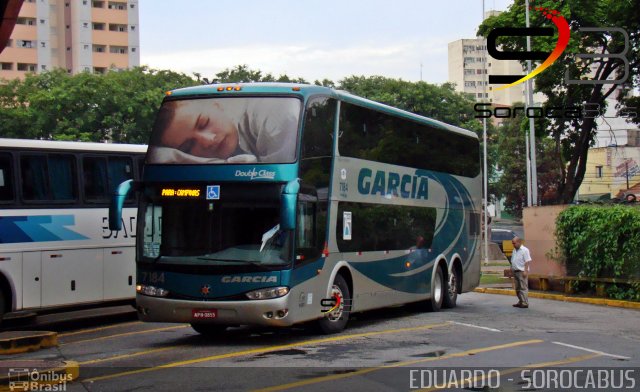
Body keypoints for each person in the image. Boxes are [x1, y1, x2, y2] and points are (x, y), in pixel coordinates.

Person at [147, 97, 300, 164]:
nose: (207, 141)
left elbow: (277, 187)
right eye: (188, 147)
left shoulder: (271, 114)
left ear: (217, 105)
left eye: (203, 123)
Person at [510, 236, 532, 308]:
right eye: (512, 243)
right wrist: (511, 268)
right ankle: (520, 301)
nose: (513, 245)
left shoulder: (525, 250)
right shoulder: (514, 250)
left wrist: (525, 271)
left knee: (523, 287)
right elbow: (513, 260)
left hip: (521, 271)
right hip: (515, 271)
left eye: (514, 243)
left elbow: (527, 261)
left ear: (519, 242)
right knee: (517, 288)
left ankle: (525, 302)